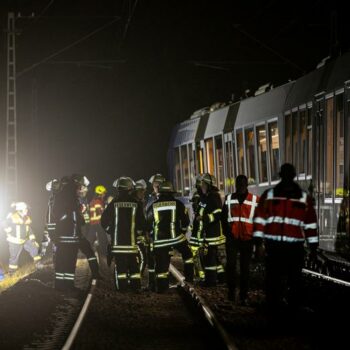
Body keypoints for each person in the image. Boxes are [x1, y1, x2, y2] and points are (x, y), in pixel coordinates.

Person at [253, 163, 318, 312]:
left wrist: (258, 244)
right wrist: (313, 249)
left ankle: (279, 310)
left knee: (278, 281)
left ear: (280, 175)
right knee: (290, 281)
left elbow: (259, 221)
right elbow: (311, 226)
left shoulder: (270, 195)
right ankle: (287, 310)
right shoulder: (303, 198)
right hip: (289, 248)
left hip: (278, 247)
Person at [147, 180, 194, 292]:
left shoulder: (153, 206)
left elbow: (148, 223)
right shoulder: (178, 204)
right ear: (172, 192)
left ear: (160, 192)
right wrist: (182, 232)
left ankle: (162, 287)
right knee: (188, 254)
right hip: (176, 238)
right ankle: (189, 279)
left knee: (161, 264)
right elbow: (186, 222)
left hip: (160, 241)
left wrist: (153, 236)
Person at [101, 177, 146, 291]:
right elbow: (142, 222)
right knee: (133, 266)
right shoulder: (135, 203)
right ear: (130, 188)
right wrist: (139, 232)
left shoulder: (114, 202)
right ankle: (135, 287)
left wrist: (109, 230)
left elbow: (104, 220)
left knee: (120, 267)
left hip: (118, 243)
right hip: (131, 243)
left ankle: (122, 288)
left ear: (118, 188)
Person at [221, 175, 259, 304]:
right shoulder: (229, 199)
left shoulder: (255, 200)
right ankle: (231, 293)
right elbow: (223, 218)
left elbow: (258, 222)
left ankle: (243, 295)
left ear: (246, 185)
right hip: (233, 239)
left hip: (247, 239)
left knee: (245, 269)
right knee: (231, 266)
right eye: (239, 184)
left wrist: (258, 242)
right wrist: (228, 233)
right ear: (236, 185)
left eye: (243, 184)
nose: (241, 186)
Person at [189, 173, 226, 286]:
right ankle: (221, 277)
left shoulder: (213, 196)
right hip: (207, 233)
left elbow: (218, 213)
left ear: (208, 185)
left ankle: (210, 281)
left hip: (211, 233)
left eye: (203, 184)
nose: (201, 187)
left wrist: (204, 218)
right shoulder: (205, 197)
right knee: (214, 257)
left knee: (209, 258)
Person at [3, 202, 41, 274]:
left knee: (34, 247)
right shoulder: (12, 216)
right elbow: (4, 222)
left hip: (25, 239)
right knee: (14, 257)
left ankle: (38, 264)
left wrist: (32, 239)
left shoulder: (26, 218)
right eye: (25, 209)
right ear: (20, 210)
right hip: (14, 241)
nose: (27, 210)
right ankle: (12, 273)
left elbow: (29, 229)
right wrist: (7, 228)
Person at [40, 179, 61, 258]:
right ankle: (43, 257)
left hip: (52, 223)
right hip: (52, 224)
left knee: (53, 241)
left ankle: (44, 256)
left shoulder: (54, 197)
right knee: (54, 241)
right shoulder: (54, 197)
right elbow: (50, 212)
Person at [88, 185, 108, 258]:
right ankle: (104, 254)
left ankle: (87, 252)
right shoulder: (98, 202)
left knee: (90, 239)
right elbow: (100, 213)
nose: (104, 195)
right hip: (98, 223)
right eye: (103, 193)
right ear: (99, 193)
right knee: (103, 239)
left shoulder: (94, 201)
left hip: (93, 223)